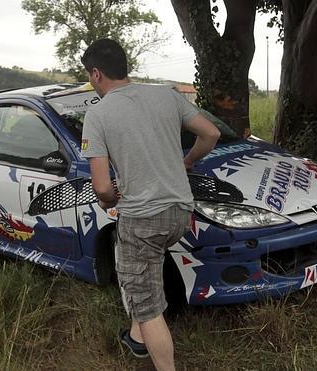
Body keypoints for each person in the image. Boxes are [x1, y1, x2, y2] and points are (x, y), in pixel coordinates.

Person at [80, 39, 220, 370]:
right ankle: (136, 339)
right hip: (180, 214)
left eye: (90, 76)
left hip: (142, 219)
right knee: (144, 271)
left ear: (97, 74)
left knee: (146, 306)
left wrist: (111, 197)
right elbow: (211, 134)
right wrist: (187, 160)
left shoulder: (98, 114)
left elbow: (101, 186)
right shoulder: (166, 94)